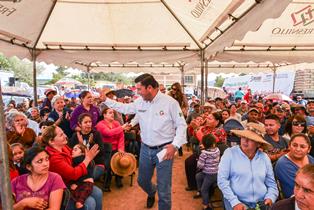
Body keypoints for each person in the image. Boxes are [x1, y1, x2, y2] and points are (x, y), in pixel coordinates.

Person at [99, 73, 187, 210]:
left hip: (164, 150)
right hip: (145, 149)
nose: (137, 92)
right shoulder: (140, 101)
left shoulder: (170, 103)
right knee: (142, 181)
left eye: (139, 89)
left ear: (150, 88)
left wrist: (175, 146)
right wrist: (106, 100)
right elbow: (125, 108)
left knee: (164, 189)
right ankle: (152, 192)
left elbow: (182, 125)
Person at [218, 123, 278, 210]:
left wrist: (270, 197)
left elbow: (271, 183)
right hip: (236, 201)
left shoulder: (264, 157)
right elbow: (222, 180)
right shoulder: (230, 153)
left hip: (261, 203)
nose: (245, 141)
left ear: (258, 144)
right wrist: (235, 202)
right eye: (243, 137)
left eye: (251, 139)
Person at [42, 125, 103, 210]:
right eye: (61, 135)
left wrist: (83, 148)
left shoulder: (62, 146)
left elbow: (76, 156)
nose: (65, 136)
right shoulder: (53, 158)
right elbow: (73, 174)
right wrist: (87, 159)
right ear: (51, 141)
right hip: (66, 188)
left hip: (76, 180)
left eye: (63, 133)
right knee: (90, 203)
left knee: (98, 193)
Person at [11, 146, 65, 210]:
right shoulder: (16, 182)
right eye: (40, 161)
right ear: (29, 167)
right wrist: (24, 203)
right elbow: (7, 207)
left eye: (47, 159)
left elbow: (54, 208)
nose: (45, 164)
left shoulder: (55, 179)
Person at [95, 108, 127, 191]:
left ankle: (118, 178)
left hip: (116, 148)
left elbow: (121, 137)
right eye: (110, 113)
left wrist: (121, 148)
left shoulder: (116, 123)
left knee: (121, 158)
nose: (112, 114)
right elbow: (108, 133)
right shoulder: (100, 124)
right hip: (105, 150)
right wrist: (122, 128)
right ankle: (107, 183)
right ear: (104, 115)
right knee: (108, 164)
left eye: (113, 113)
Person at [68, 113, 105, 184]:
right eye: (85, 122)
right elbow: (71, 151)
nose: (88, 124)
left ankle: (82, 187)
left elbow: (101, 152)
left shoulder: (96, 134)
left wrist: (91, 143)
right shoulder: (76, 135)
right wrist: (81, 144)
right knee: (78, 177)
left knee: (87, 177)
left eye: (90, 122)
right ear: (79, 124)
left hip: (96, 163)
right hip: (79, 164)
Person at [274, 133, 314, 198]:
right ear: (289, 146)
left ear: (309, 149)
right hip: (296, 199)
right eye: (295, 145)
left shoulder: (310, 158)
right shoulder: (283, 164)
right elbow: (299, 188)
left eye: (302, 146)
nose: (298, 149)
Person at [194, 134, 220, 210]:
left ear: (204, 144)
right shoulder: (217, 150)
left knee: (204, 189)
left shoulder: (204, 154)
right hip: (215, 173)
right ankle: (199, 192)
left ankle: (206, 206)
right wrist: (205, 148)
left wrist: (198, 160)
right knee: (198, 176)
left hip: (209, 175)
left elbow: (200, 166)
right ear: (213, 144)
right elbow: (210, 150)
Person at [70, 144, 95, 209]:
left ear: (82, 153)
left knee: (82, 195)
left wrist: (76, 183)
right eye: (73, 149)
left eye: (75, 150)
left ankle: (80, 203)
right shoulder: (80, 159)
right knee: (79, 194)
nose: (72, 151)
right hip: (85, 182)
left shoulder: (79, 159)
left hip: (86, 183)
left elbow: (83, 174)